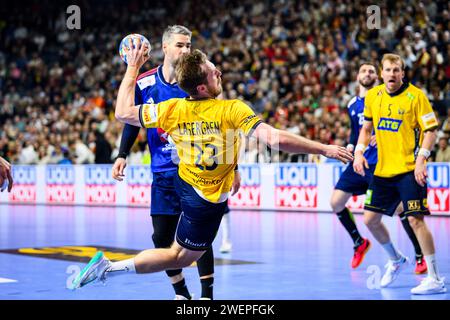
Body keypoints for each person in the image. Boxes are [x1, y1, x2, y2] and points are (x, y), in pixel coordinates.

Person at [71, 48, 353, 293]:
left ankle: (197, 292)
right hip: (203, 201)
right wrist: (324, 149)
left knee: (170, 239)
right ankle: (108, 269)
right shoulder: (231, 110)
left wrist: (132, 67)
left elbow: (122, 112)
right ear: (203, 88)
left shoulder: (172, 108)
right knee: (178, 257)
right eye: (211, 71)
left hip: (183, 178)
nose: (218, 71)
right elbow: (274, 138)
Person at [111, 25, 218, 300]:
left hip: (193, 171)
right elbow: (131, 120)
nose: (186, 50)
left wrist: (233, 167)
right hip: (161, 172)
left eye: (189, 45)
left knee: (198, 234)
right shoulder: (145, 82)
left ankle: (207, 295)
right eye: (181, 45)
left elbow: (218, 124)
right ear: (165, 48)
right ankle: (181, 291)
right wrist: (122, 154)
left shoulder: (194, 83)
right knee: (161, 238)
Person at [353, 53, 446, 295]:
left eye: (397, 70)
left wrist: (421, 159)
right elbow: (366, 129)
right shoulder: (373, 96)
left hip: (408, 170)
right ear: (381, 73)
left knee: (416, 220)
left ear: (402, 73)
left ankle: (435, 278)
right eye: (388, 70)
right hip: (382, 172)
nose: (392, 74)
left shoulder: (416, 96)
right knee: (370, 220)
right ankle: (396, 259)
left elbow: (431, 130)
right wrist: (359, 152)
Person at [330, 62, 427, 274]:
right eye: (363, 70)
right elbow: (356, 134)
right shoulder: (352, 104)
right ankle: (359, 242)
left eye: (371, 71)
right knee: (335, 202)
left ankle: (420, 254)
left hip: (381, 161)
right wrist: (349, 147)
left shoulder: (383, 97)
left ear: (378, 76)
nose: (367, 74)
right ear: (357, 76)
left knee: (402, 209)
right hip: (359, 160)